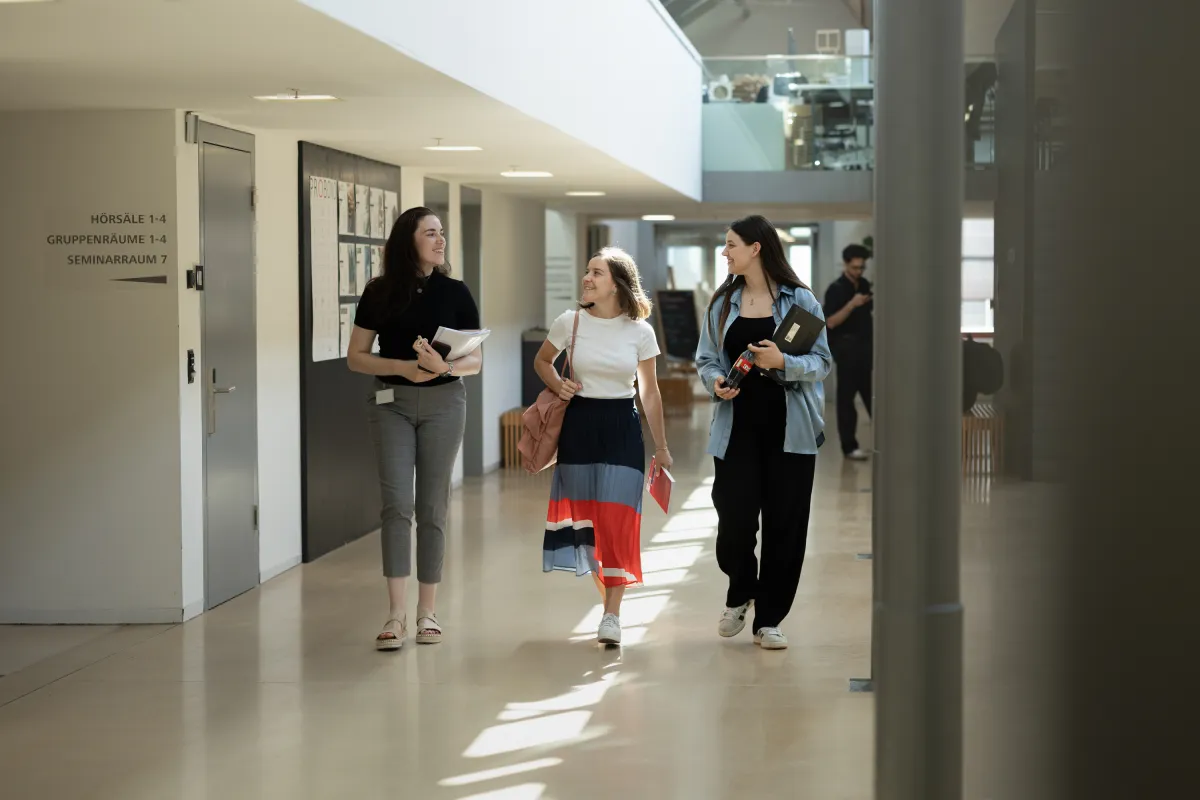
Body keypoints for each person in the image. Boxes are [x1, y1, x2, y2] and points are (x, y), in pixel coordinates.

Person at [347, 206, 483, 651]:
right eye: (431, 234)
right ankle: (395, 615)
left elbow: (476, 360)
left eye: (442, 233)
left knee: (432, 506)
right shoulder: (380, 291)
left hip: (446, 403)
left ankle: (428, 612)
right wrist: (407, 367)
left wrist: (442, 365)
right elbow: (357, 357)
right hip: (391, 403)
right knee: (397, 506)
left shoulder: (455, 291)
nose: (441, 241)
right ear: (409, 241)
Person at [695, 215, 832, 650]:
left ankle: (769, 618)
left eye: (731, 244)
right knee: (732, 520)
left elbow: (822, 363)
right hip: (735, 431)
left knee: (785, 526)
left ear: (756, 248)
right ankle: (741, 590)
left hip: (791, 433)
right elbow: (705, 359)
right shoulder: (722, 303)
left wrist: (783, 363)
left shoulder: (801, 301)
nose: (725, 251)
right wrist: (714, 382)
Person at [534, 247, 671, 645]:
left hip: (622, 430)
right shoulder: (570, 322)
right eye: (587, 271)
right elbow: (543, 361)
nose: (587, 279)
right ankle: (610, 600)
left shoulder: (640, 331)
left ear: (617, 284)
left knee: (618, 524)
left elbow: (650, 392)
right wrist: (558, 384)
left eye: (596, 273)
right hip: (579, 427)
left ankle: (611, 614)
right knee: (590, 526)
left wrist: (661, 446)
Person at [823, 244, 874, 460]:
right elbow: (831, 322)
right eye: (854, 267)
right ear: (846, 264)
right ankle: (849, 446)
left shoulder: (864, 285)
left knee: (873, 399)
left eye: (862, 268)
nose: (858, 272)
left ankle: (887, 444)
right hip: (846, 352)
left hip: (866, 350)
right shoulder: (836, 289)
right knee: (846, 400)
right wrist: (852, 304)